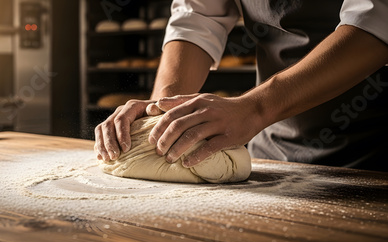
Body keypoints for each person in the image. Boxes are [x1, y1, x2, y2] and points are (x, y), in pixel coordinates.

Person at [94, 0, 388, 172]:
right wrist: (164, 113)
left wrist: (255, 108)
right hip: (274, 150)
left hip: (372, 148)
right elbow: (198, 16)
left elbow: (375, 22)